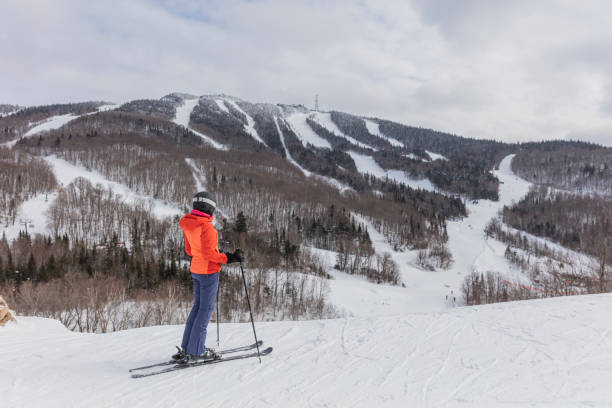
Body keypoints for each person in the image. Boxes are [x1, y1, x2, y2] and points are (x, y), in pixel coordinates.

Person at [172, 191, 244, 363]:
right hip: (208, 272)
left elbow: (190, 251)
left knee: (197, 308)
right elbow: (211, 255)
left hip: (196, 269)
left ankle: (187, 347)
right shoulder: (207, 229)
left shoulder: (189, 225)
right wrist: (230, 257)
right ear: (209, 209)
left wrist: (218, 254)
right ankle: (196, 351)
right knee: (204, 311)